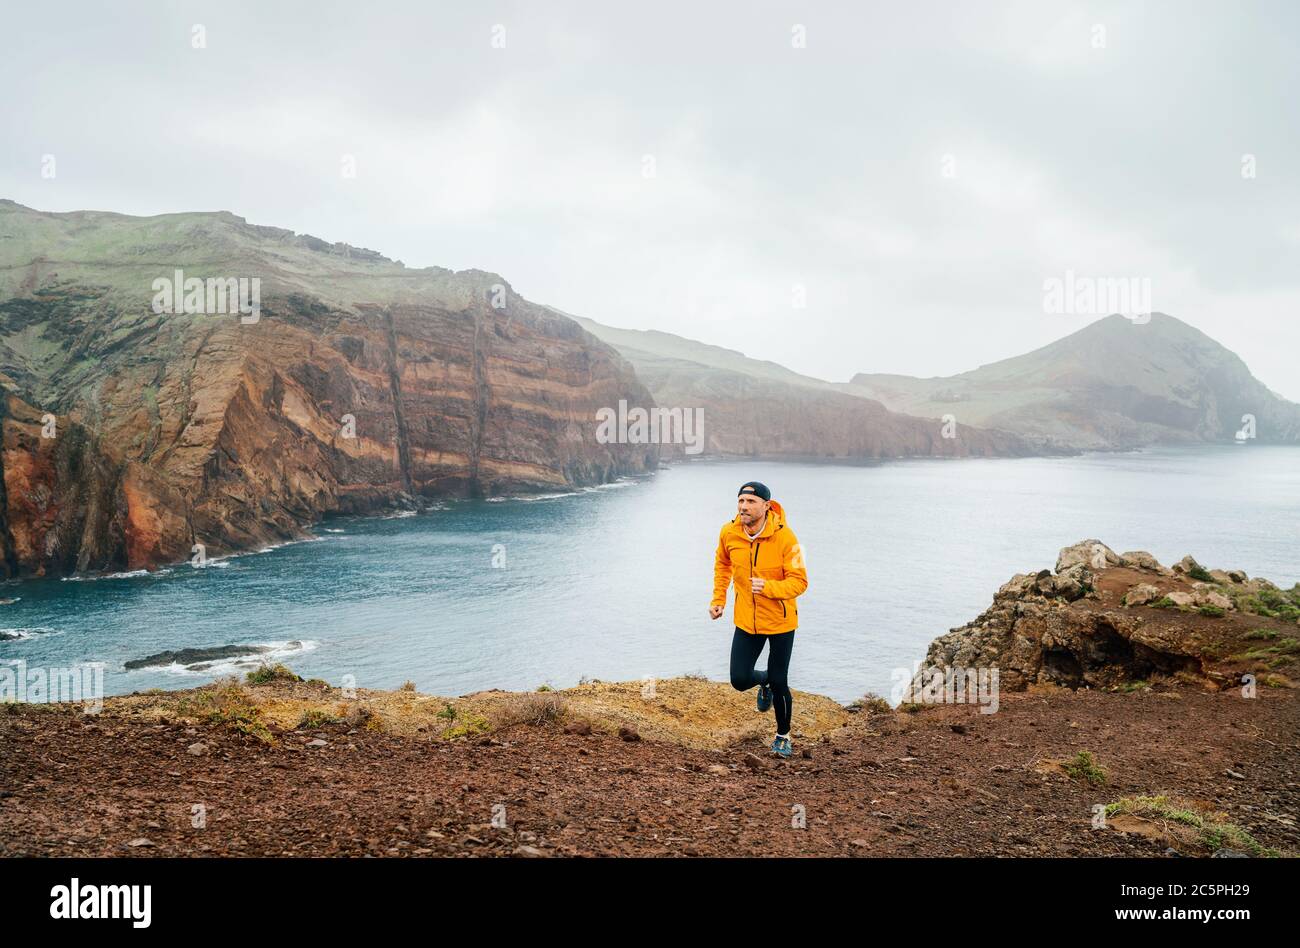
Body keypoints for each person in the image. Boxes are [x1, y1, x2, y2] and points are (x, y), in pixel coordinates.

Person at [708, 480, 808, 757]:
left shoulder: (787, 538)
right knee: (739, 679)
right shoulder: (729, 533)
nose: (744, 507)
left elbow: (800, 582)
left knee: (780, 681)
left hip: (780, 621)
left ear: (766, 506)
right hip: (746, 620)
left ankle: (783, 736)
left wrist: (769, 588)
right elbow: (722, 564)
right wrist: (719, 600)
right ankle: (763, 680)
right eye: (741, 501)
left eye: (750, 502)